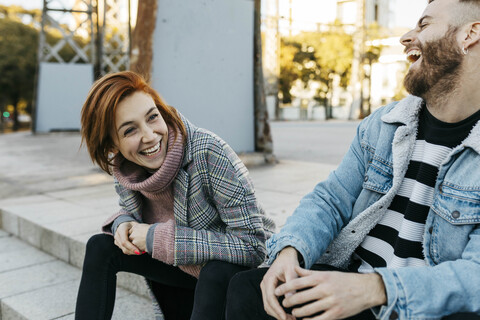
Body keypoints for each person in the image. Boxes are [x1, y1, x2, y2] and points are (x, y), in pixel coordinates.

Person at [226, 0, 480, 319]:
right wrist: (291, 250)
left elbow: (474, 277)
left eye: (425, 25)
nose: (406, 37)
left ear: (469, 34)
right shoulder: (385, 123)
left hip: (420, 306)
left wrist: (374, 289)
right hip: (354, 286)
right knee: (243, 286)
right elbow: (331, 199)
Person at [74, 71, 275, 320]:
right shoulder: (126, 169)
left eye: (152, 117)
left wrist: (160, 238)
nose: (149, 136)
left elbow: (253, 246)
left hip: (235, 277)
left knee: (215, 271)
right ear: (112, 145)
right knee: (100, 246)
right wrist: (122, 223)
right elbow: (132, 212)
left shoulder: (209, 152)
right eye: (129, 131)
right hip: (185, 271)